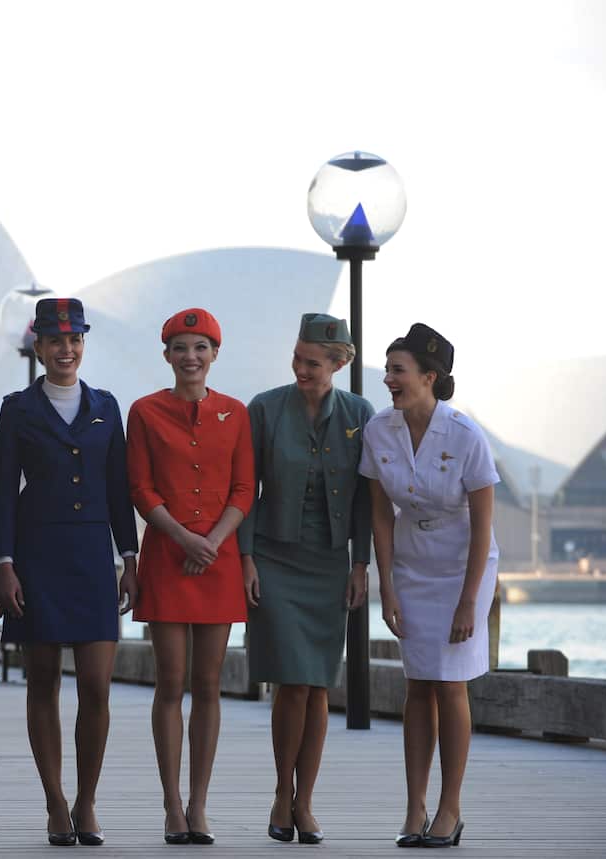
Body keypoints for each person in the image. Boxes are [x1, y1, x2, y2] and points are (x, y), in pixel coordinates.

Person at [0, 297, 139, 847]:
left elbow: (119, 489)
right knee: (44, 683)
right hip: (38, 556)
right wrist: (4, 564)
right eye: (55, 341)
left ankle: (87, 800)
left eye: (74, 339)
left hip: (92, 558)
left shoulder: (106, 405)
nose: (66, 349)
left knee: (97, 687)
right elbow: (4, 493)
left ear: (83, 342)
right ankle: (55, 801)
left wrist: (130, 558)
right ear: (39, 345)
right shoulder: (18, 408)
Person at [238, 313, 374, 844]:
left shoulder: (361, 414)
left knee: (318, 685)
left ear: (338, 362)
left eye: (312, 362)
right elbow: (245, 489)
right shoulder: (265, 409)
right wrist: (245, 557)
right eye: (296, 358)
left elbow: (367, 497)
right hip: (273, 557)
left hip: (328, 561)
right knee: (291, 682)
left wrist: (360, 562)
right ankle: (279, 791)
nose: (301, 369)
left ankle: (306, 801)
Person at [359, 323, 497, 849]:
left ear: (429, 377)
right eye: (388, 369)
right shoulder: (378, 431)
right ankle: (415, 806)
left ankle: (450, 808)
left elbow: (484, 525)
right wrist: (387, 586)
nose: (389, 379)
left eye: (399, 370)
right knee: (418, 682)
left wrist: (469, 600)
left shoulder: (465, 435)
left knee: (450, 682)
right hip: (412, 566)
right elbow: (380, 515)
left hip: (465, 565)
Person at [126, 308, 253, 845]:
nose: (191, 357)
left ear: (215, 354)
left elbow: (245, 489)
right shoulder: (146, 411)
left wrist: (215, 542)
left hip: (218, 560)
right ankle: (171, 804)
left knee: (208, 685)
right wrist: (184, 539)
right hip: (169, 558)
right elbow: (141, 488)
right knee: (170, 683)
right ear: (167, 356)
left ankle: (200, 804)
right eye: (181, 347)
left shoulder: (236, 413)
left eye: (200, 347)